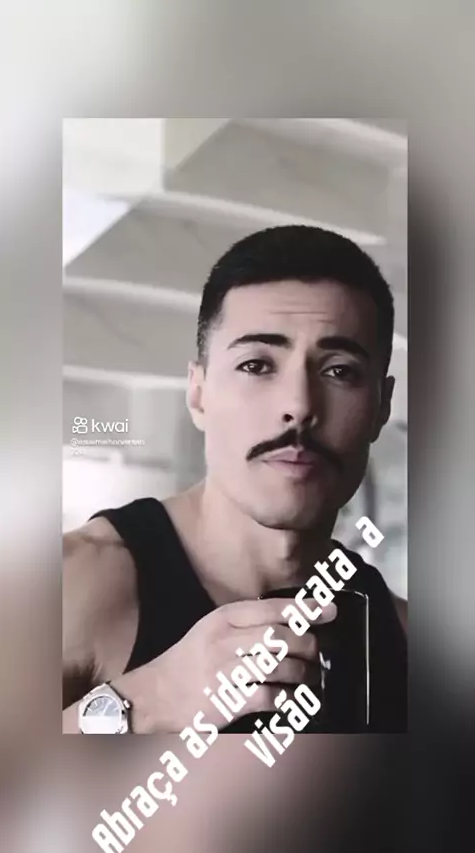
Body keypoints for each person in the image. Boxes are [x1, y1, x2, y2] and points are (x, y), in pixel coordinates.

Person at [63, 225, 407, 734]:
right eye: (256, 365)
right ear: (198, 393)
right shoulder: (77, 583)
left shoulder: (402, 634)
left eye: (339, 371)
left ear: (382, 406)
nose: (298, 406)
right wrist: (146, 702)